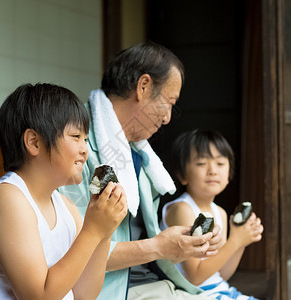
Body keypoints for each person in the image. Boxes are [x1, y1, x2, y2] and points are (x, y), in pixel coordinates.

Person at [58, 42, 222, 300]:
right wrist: (157, 247)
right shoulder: (78, 143)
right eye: (169, 102)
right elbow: (72, 250)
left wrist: (181, 243)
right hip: (104, 290)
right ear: (143, 86)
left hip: (149, 281)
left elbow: (147, 239)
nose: (168, 117)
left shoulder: (139, 153)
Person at [0, 83, 127, 299]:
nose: (85, 149)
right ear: (34, 142)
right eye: (76, 136)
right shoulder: (6, 198)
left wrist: (105, 231)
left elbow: (84, 294)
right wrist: (93, 230)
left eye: (86, 139)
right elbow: (39, 296)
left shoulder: (68, 208)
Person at [160, 129, 264, 300]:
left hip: (220, 290)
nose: (212, 170)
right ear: (182, 175)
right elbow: (195, 277)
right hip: (193, 295)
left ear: (229, 173)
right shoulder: (182, 210)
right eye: (201, 163)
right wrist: (235, 240)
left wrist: (242, 243)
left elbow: (221, 273)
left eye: (220, 164)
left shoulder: (220, 213)